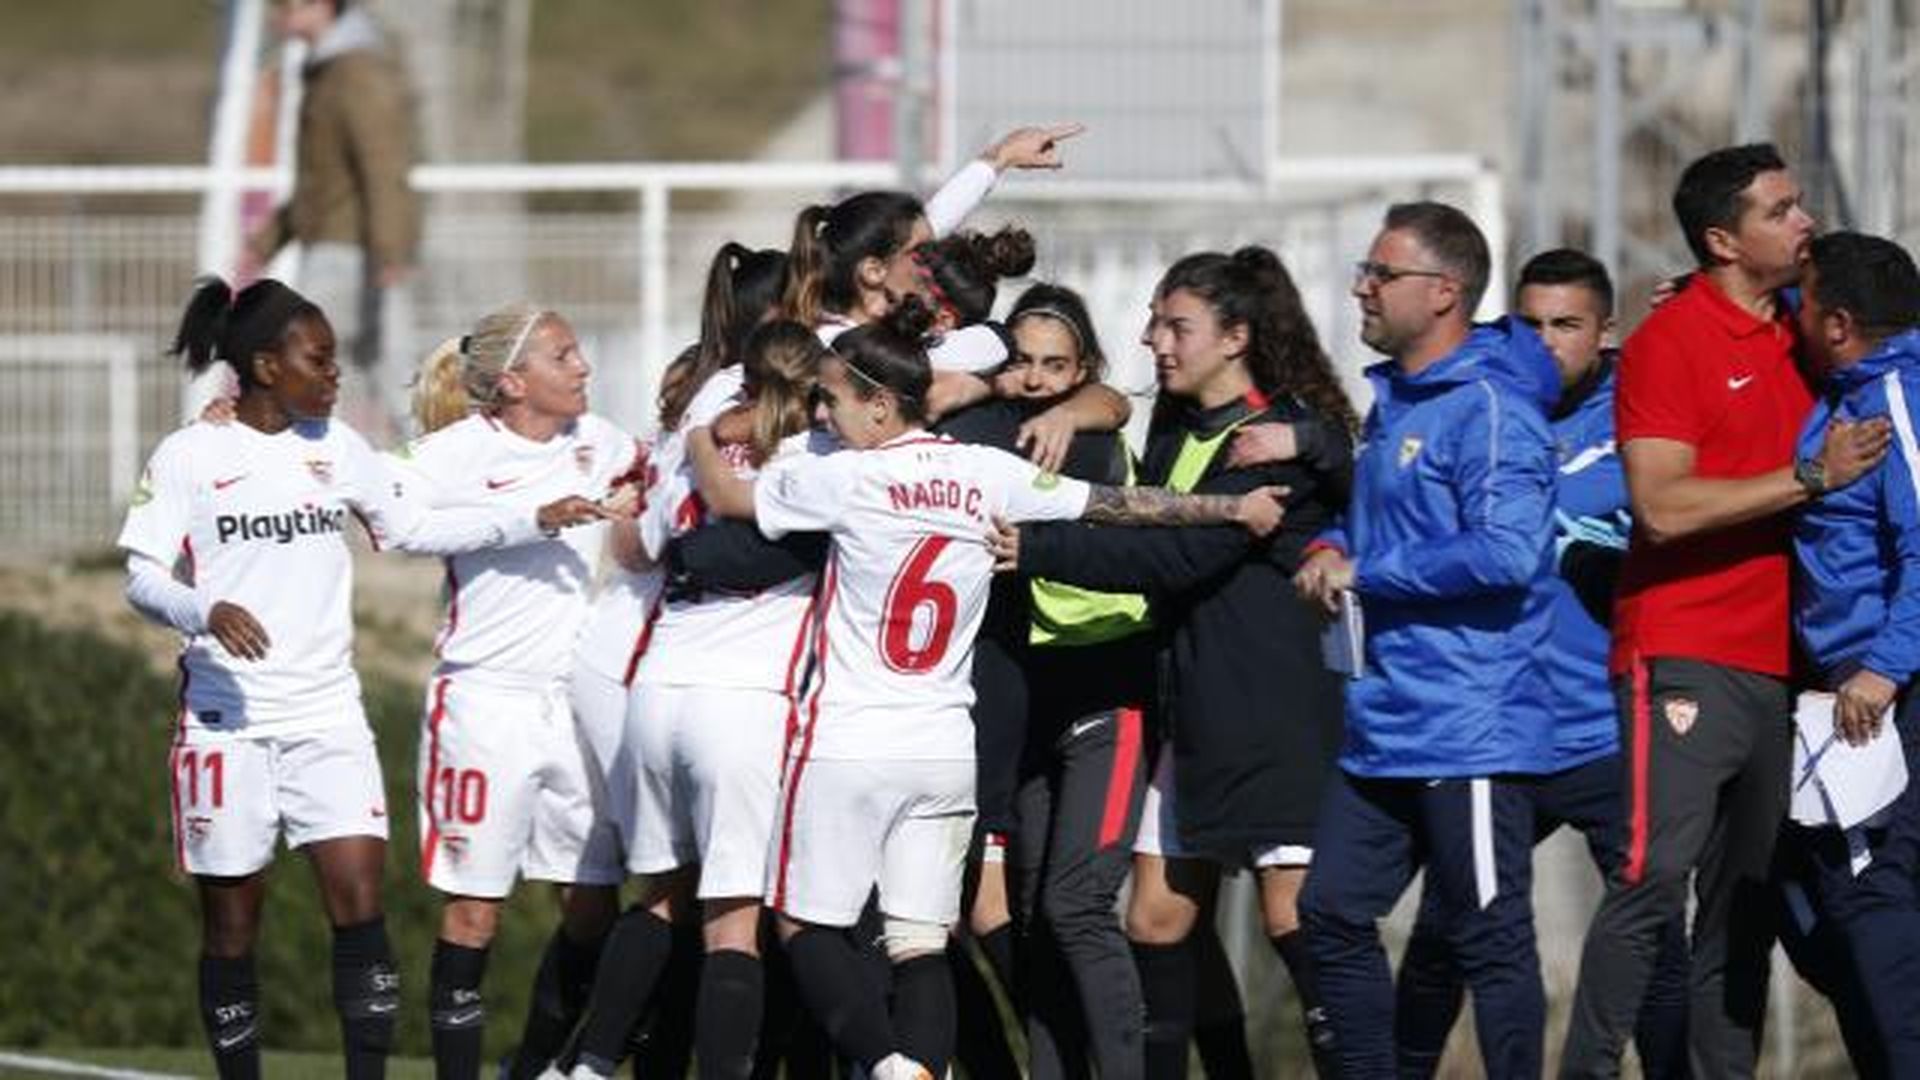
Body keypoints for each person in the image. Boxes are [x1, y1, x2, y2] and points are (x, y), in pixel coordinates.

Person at [682, 304, 1286, 1080]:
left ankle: (889, 1068)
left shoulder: (842, 477)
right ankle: (920, 1069)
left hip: (847, 739)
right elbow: (1120, 507)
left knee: (802, 921)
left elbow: (730, 501)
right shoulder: (986, 471)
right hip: (942, 746)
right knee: (923, 943)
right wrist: (1232, 506)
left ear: (878, 403)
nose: (822, 413)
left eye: (831, 397)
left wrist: (700, 435)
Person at [119, 277, 603, 1080]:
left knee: (361, 912)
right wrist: (204, 609)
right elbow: (140, 575)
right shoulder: (190, 455)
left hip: (328, 717)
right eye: (320, 359)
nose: (335, 373)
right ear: (268, 365)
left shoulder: (335, 447)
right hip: (225, 723)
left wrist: (532, 518)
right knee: (233, 931)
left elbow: (412, 526)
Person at [1558, 144, 1890, 1079]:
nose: (1804, 221)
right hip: (1684, 647)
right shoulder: (1671, 342)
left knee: (1744, 900)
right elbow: (1662, 507)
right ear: (1722, 239)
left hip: (1784, 665)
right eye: (1781, 210)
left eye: (1800, 204)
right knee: (1650, 880)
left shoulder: (1808, 328)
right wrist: (1809, 477)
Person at [996, 249, 1355, 1080]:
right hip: (1191, 714)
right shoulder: (1174, 421)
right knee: (1155, 922)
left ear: (1235, 338)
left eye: (1175, 326)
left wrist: (1036, 548)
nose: (1155, 339)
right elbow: (1116, 424)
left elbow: (1179, 556)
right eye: (1154, 320)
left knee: (1290, 922)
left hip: (1274, 714)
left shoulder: (1275, 435)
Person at [1388, 249, 1689, 1078]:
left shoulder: (1642, 416)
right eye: (1531, 325)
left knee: (1656, 934)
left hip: (1603, 727)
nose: (1548, 343)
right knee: (1449, 930)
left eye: (1568, 325)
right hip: (1497, 731)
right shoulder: (1470, 404)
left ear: (1605, 332)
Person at [1292, 202, 1559, 1078]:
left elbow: (1508, 551)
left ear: (1444, 292)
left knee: (1489, 938)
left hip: (1468, 725)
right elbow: (1380, 530)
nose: (1361, 288)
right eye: (1365, 272)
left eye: (1380, 273)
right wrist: (1335, 545)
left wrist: (1367, 573)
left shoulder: (1488, 409)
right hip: (1383, 725)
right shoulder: (1397, 401)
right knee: (1327, 912)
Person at [565, 320, 832, 1080]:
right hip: (743, 696)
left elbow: (635, 550)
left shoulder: (693, 436)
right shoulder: (814, 452)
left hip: (656, 689)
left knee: (661, 896)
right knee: (733, 925)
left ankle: (584, 1067)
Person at [395, 304, 644, 1080]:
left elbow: (669, 460)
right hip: (484, 702)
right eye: (564, 356)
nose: (583, 368)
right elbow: (392, 524)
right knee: (475, 909)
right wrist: (524, 519)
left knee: (593, 903)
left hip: (576, 701)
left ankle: (533, 1064)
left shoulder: (599, 441)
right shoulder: (451, 453)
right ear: (512, 382)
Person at [1782, 230, 1920, 1076]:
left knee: (1871, 899)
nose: (1786, 314)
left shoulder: (1897, 398)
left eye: (1799, 301)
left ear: (1837, 323)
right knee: (1826, 899)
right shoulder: (1855, 385)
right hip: (1849, 682)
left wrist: (1882, 667)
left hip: (1887, 689)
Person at [249, 0, 419, 439]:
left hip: (350, 249)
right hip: (333, 243)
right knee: (364, 369)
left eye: (286, 6)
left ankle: (433, 467)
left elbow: (383, 165)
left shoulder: (357, 71)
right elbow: (321, 180)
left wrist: (389, 251)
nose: (276, 15)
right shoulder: (328, 69)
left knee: (314, 362)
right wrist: (266, 241)